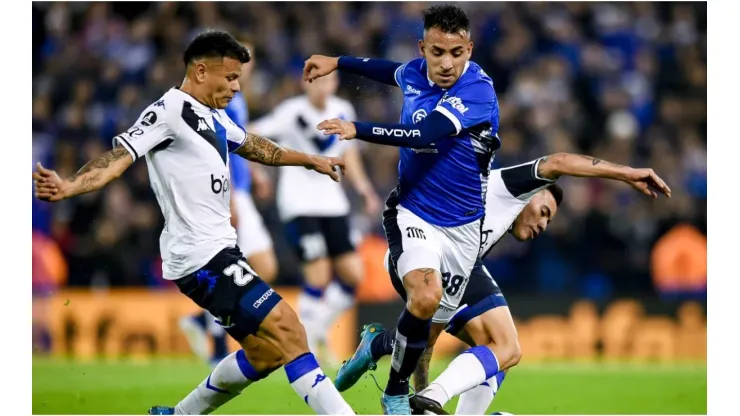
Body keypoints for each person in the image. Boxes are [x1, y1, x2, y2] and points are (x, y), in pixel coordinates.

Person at [33, 30, 355, 416]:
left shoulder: (213, 116)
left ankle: (180, 414)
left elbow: (256, 146)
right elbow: (118, 157)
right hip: (201, 255)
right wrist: (69, 186)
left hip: (220, 248)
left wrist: (312, 160)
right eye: (231, 77)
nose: (237, 87)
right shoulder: (168, 110)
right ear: (201, 71)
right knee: (289, 328)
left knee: (266, 351)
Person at [333, 153, 671, 415]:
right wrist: (627, 173)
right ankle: (388, 354)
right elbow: (559, 161)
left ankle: (384, 349)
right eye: (543, 211)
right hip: (415, 248)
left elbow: (430, 338)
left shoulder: (485, 234)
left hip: (443, 258)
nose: (543, 224)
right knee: (507, 346)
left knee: (498, 352)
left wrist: (421, 392)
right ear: (531, 194)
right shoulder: (509, 186)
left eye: (549, 220)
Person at [304, 5, 500, 413]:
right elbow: (386, 70)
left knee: (427, 334)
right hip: (412, 211)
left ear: (470, 49)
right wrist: (337, 61)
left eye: (457, 53)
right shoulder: (414, 72)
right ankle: (394, 392)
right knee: (426, 297)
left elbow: (424, 133)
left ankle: (376, 344)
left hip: (463, 226)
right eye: (437, 52)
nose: (447, 63)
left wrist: (359, 129)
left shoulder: (478, 90)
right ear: (422, 48)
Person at [248, 70, 381, 363]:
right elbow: (249, 133)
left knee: (352, 274)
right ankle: (307, 348)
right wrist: (256, 171)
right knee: (318, 276)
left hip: (333, 204)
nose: (324, 86)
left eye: (329, 81)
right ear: (305, 83)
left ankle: (317, 330)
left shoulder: (343, 110)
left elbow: (350, 156)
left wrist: (365, 190)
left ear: (335, 84)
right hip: (298, 205)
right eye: (317, 81)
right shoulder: (291, 112)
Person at [178, 36, 279, 369]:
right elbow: (218, 150)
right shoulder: (223, 100)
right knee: (257, 266)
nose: (243, 69)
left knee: (258, 267)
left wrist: (255, 175)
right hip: (231, 195)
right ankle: (219, 342)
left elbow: (240, 142)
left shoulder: (237, 99)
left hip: (242, 191)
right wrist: (232, 194)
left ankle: (203, 323)